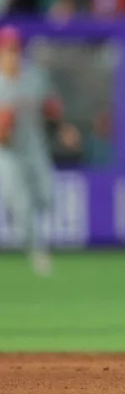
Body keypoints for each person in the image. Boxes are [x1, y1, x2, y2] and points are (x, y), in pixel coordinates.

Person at [0, 26, 65, 276]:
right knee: (22, 206)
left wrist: (61, 126)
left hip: (36, 148)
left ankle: (33, 230)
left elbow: (52, 108)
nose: (13, 54)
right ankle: (37, 252)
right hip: (7, 154)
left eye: (16, 48)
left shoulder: (35, 77)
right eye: (8, 49)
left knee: (48, 197)